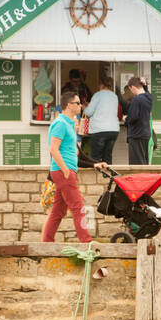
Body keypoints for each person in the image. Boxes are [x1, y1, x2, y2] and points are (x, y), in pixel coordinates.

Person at [44, 91, 108, 243]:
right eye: (78, 103)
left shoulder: (68, 124)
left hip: (65, 171)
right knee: (78, 207)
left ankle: (46, 243)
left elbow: (77, 154)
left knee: (58, 212)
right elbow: (53, 149)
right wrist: (66, 170)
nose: (81, 106)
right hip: (63, 172)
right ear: (68, 105)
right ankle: (86, 242)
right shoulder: (60, 123)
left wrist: (95, 163)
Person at [83, 76, 120, 164]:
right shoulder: (114, 96)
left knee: (95, 158)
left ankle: (96, 178)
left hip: (99, 130)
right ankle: (108, 177)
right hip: (113, 130)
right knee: (107, 157)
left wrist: (85, 107)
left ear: (101, 85)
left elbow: (88, 112)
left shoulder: (98, 95)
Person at [124, 76, 153, 165]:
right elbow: (147, 92)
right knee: (144, 161)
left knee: (136, 164)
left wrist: (126, 119)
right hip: (146, 134)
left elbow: (133, 117)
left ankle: (139, 179)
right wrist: (145, 85)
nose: (131, 92)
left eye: (130, 89)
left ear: (132, 87)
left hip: (136, 135)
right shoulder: (149, 97)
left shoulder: (136, 99)